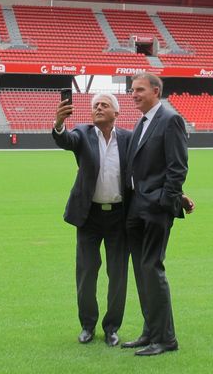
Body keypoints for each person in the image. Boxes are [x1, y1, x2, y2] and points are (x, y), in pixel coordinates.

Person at [52, 93, 131, 347]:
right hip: (89, 217)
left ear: (115, 113)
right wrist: (59, 123)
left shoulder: (128, 139)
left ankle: (112, 328)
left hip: (119, 217)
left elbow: (147, 169)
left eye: (104, 105)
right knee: (86, 273)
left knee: (117, 275)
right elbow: (65, 139)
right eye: (95, 105)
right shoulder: (83, 134)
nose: (98, 108)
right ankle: (87, 325)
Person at [122, 73, 189, 356]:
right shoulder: (144, 120)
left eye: (139, 89)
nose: (133, 94)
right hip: (137, 206)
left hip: (155, 209)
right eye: (132, 90)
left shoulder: (170, 119)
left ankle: (166, 339)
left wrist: (166, 201)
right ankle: (150, 331)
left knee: (152, 269)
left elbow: (178, 167)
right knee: (142, 271)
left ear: (156, 91)